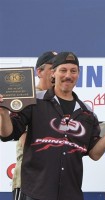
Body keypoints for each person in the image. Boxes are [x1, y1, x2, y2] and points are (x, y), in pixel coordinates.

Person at [0, 52, 105, 200]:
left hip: (70, 194)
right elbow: (7, 134)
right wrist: (4, 112)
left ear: (78, 74)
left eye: (73, 71)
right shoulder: (35, 102)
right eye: (63, 70)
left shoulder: (86, 112)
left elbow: (95, 154)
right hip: (34, 193)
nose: (68, 75)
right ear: (53, 73)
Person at [12, 51, 57, 200]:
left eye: (59, 67)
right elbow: (23, 138)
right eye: (53, 67)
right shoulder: (27, 97)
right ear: (39, 72)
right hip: (30, 181)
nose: (56, 72)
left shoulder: (61, 101)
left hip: (56, 181)